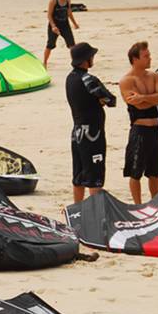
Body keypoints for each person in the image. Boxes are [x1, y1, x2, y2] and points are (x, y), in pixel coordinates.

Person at [65, 42, 116, 203]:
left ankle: (78, 210)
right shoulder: (88, 79)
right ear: (85, 60)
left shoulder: (70, 78)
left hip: (77, 132)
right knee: (95, 176)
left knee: (79, 176)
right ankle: (95, 212)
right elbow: (111, 100)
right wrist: (99, 101)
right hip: (93, 134)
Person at [119, 41, 158, 202]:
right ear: (135, 59)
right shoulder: (127, 80)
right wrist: (151, 99)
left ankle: (156, 202)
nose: (149, 58)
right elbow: (137, 104)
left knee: (155, 172)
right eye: (146, 56)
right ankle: (138, 204)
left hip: (156, 129)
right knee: (135, 172)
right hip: (140, 130)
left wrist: (143, 97)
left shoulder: (154, 76)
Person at [45, 0, 78, 68]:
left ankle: (75, 63)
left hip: (65, 25)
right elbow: (49, 15)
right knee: (50, 45)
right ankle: (44, 62)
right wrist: (53, 26)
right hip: (54, 25)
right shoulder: (53, 0)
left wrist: (74, 23)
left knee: (72, 45)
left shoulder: (68, 0)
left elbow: (69, 12)